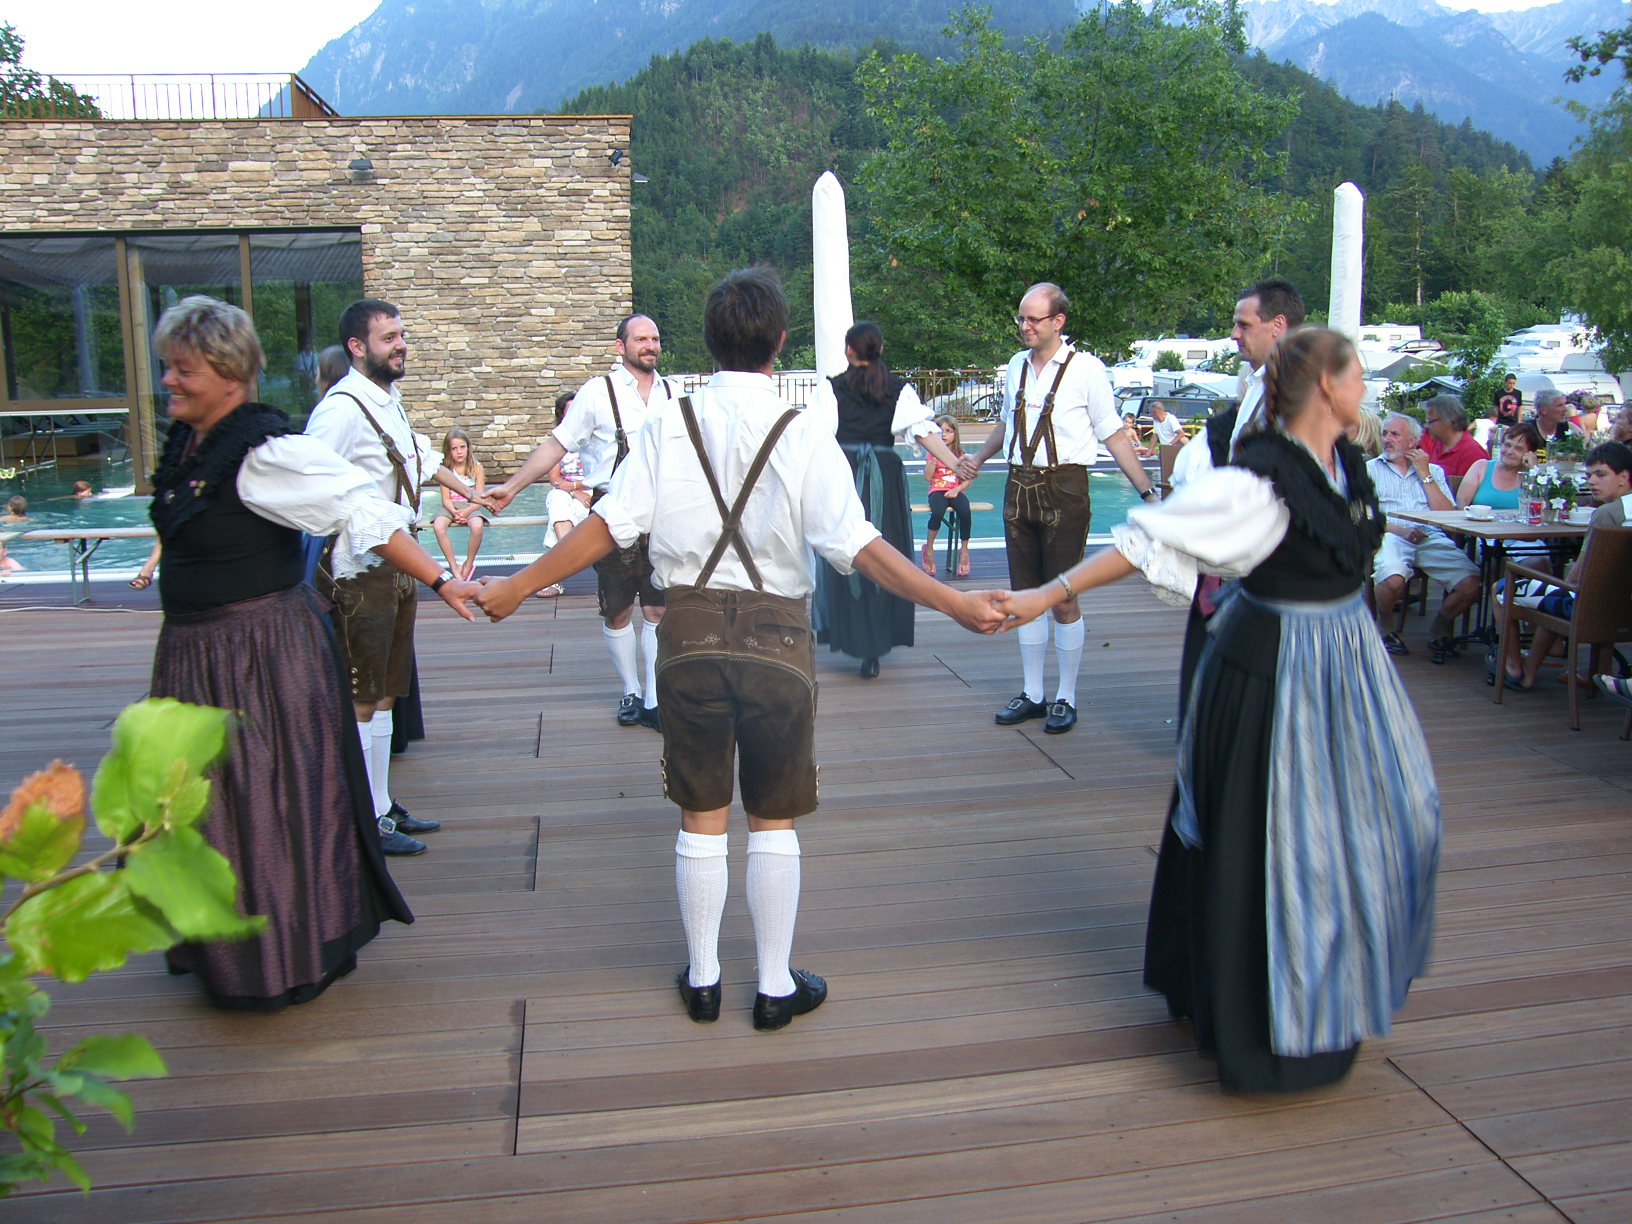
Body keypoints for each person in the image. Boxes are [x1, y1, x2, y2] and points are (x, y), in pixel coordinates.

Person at [474, 268, 1006, 1031]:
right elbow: (856, 544)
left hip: (687, 634)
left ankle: (702, 981)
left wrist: (520, 584)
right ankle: (773, 987)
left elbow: (610, 526)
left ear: (707, 341)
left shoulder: (668, 423)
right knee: (772, 819)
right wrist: (953, 601)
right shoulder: (803, 429)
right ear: (780, 341)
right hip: (777, 640)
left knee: (700, 815)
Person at [995, 326, 1440, 1093]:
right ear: (1327, 386)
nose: (1366, 388)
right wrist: (1047, 592)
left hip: (1348, 669)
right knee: (1279, 838)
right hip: (1278, 674)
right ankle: (1269, 1030)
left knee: (1399, 817)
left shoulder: (1344, 463)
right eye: (1358, 374)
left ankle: (1326, 994)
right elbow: (1153, 540)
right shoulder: (1259, 482)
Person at [142, 296, 480, 1010]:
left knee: (258, 800)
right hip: (199, 654)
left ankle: (277, 955)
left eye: (183, 369)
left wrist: (442, 579)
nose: (168, 380)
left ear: (228, 373)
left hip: (255, 655)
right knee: (214, 804)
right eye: (167, 367)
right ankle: (224, 946)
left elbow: (361, 508)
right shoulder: (193, 443)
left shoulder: (266, 452)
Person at [306, 298, 486, 854]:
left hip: (397, 562)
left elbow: (417, 460)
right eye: (389, 338)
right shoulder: (339, 411)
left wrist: (476, 494)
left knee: (385, 693)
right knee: (362, 696)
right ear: (357, 347)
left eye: (402, 334)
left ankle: (381, 806)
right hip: (357, 570)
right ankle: (364, 820)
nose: (401, 344)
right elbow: (309, 483)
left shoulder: (388, 400)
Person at [957, 282, 1159, 734]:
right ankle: (1033, 694)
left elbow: (1112, 433)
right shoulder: (1016, 366)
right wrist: (978, 459)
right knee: (1023, 594)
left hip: (1065, 489)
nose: (1024, 326)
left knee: (1064, 596)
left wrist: (1147, 493)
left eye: (1033, 319)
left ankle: (1066, 696)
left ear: (1058, 321)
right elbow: (1006, 425)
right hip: (1018, 486)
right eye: (1021, 318)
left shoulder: (1087, 369)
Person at [486, 314, 676, 732]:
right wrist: (513, 487)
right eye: (641, 339)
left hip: (661, 513)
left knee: (658, 607)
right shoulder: (597, 392)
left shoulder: (672, 393)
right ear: (620, 346)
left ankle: (654, 697)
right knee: (618, 609)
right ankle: (630, 691)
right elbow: (557, 445)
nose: (650, 345)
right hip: (610, 512)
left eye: (655, 338)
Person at [813, 321, 965, 678]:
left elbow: (814, 438)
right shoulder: (899, 390)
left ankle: (853, 637)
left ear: (849, 350)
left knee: (846, 551)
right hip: (884, 475)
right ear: (880, 349)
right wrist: (956, 464)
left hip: (845, 476)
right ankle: (875, 645)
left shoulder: (831, 389)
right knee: (885, 553)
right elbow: (924, 433)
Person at [1494, 441, 1632, 691]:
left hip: (1590, 609)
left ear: (1624, 477)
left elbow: (1580, 575)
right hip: (1624, 609)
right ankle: (1595, 671)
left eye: (1601, 475)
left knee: (1503, 589)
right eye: (1590, 475)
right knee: (1560, 593)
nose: (1592, 481)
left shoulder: (1607, 514)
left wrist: (1562, 584)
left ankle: (1516, 668)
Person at [1169, 278, 1306, 491]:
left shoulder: (1297, 388)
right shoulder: (1258, 383)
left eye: (1244, 325)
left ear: (1277, 325)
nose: (1234, 334)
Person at [1369, 413, 1482, 664]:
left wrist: (1424, 474)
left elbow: (1448, 516)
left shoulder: (1433, 471)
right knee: (1392, 578)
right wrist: (1400, 530)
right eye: (1385, 433)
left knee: (1471, 584)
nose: (1387, 439)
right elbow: (1360, 515)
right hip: (1391, 533)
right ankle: (1385, 625)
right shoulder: (1369, 470)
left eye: (1395, 434)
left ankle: (1440, 626)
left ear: (1412, 442)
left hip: (1429, 535)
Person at [536, 391, 588, 598]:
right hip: (566, 490)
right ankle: (568, 555)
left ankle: (555, 579)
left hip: (591, 490)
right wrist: (575, 490)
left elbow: (603, 476)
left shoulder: (593, 438)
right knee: (557, 499)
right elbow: (554, 478)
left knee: (564, 514)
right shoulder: (558, 442)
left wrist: (578, 488)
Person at [429, 427, 489, 580]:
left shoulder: (477, 468)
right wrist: (454, 512)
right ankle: (453, 564)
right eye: (454, 449)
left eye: (462, 447)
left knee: (477, 526)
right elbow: (445, 499)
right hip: (451, 507)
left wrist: (466, 512)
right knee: (438, 526)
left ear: (468, 447)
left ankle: (469, 563)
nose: (459, 452)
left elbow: (480, 498)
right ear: (448, 451)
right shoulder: (445, 469)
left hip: (471, 506)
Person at [922, 414, 972, 579]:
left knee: (965, 511)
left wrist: (957, 489)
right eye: (941, 431)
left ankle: (964, 550)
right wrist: (932, 462)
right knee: (938, 511)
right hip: (937, 490)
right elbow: (927, 477)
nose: (944, 435)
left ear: (955, 434)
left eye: (948, 431)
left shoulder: (960, 454)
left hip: (955, 490)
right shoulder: (932, 454)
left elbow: (967, 480)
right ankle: (929, 549)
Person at [1455, 420, 1543, 510]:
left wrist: (1534, 470)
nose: (1509, 451)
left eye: (1518, 449)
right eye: (1507, 445)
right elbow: (1462, 503)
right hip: (1478, 519)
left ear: (1530, 453)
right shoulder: (1481, 467)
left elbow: (1542, 507)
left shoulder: (1531, 477)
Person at [1419, 394, 1487, 485]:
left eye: (1430, 421)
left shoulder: (1473, 453)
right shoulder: (1438, 443)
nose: (1426, 426)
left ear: (1449, 420)